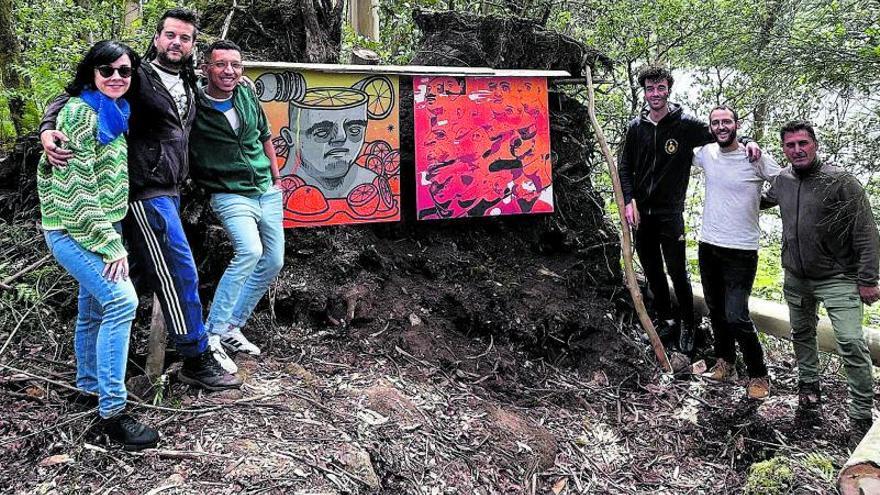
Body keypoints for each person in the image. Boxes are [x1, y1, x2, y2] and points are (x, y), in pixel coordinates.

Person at [39, 9, 241, 391]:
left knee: (111, 292)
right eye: (169, 35)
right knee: (177, 268)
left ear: (193, 44)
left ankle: (96, 376)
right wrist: (48, 130)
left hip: (173, 188)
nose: (175, 43)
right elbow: (74, 93)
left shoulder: (187, 81)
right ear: (156, 37)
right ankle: (195, 357)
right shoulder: (136, 75)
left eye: (184, 38)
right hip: (144, 192)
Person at [38, 40, 160, 450]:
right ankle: (113, 411)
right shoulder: (78, 113)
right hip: (74, 231)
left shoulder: (114, 111)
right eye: (106, 70)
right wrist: (112, 247)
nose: (116, 78)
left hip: (99, 227)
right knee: (121, 302)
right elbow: (77, 193)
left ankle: (88, 385)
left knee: (92, 307)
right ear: (91, 73)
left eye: (124, 71)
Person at [618, 64, 762, 355]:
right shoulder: (636, 127)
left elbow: (721, 134)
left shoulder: (685, 124)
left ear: (669, 89)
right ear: (643, 92)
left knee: (677, 271)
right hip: (641, 214)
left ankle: (687, 322)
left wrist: (748, 141)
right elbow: (625, 167)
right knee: (653, 271)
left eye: (660, 88)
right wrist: (629, 201)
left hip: (670, 213)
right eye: (650, 88)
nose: (655, 94)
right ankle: (665, 319)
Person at [766, 120, 879, 447]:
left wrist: (869, 279)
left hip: (838, 277)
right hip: (797, 276)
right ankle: (809, 387)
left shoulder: (841, 181)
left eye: (803, 143)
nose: (797, 150)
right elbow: (761, 198)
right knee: (801, 332)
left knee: (850, 340)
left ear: (815, 144)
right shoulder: (783, 181)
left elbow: (867, 232)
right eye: (790, 145)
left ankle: (860, 413)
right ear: (784, 149)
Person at [188, 40, 284, 371]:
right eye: (221, 64)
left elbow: (264, 136)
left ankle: (231, 325)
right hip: (228, 191)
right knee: (250, 252)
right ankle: (212, 334)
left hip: (265, 188)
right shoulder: (193, 103)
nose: (229, 71)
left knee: (273, 260)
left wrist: (275, 177)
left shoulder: (245, 93)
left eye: (235, 65)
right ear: (205, 68)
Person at [693, 105, 780, 400]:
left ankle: (759, 374)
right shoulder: (706, 153)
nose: (721, 126)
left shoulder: (753, 156)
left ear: (736, 125)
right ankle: (725, 362)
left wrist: (760, 201)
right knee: (716, 310)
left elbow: (783, 182)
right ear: (710, 127)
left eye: (726, 121)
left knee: (737, 315)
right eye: (715, 123)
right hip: (709, 244)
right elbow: (676, 153)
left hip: (741, 250)